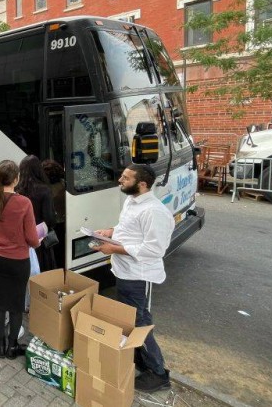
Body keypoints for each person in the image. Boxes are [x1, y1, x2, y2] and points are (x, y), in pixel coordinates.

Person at [92, 164, 175, 393]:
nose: (120, 179)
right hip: (124, 272)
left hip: (139, 276)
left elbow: (154, 249)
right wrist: (110, 231)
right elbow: (127, 228)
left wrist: (113, 249)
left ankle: (158, 373)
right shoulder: (131, 200)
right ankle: (141, 360)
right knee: (129, 321)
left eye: (126, 178)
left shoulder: (155, 211)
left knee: (141, 324)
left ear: (142, 184)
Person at [0, 160, 39, 359]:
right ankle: (12, 346)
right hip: (18, 261)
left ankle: (0, 342)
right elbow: (32, 238)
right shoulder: (24, 203)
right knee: (16, 305)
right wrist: (37, 242)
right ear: (16, 179)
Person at [16, 155, 57, 272]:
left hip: (21, 238)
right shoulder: (44, 190)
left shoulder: (17, 189)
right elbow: (49, 219)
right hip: (40, 240)